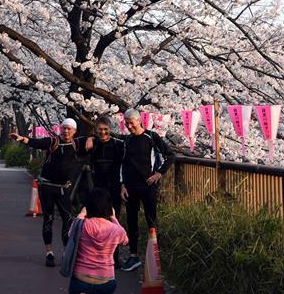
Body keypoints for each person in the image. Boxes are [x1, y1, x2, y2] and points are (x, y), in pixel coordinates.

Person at [10, 118, 86, 267]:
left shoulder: (77, 144)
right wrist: (22, 139)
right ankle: (49, 253)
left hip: (63, 188)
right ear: (60, 128)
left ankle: (66, 252)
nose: (66, 131)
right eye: (64, 128)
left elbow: (95, 140)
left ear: (75, 131)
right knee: (48, 219)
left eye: (69, 129)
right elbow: (37, 143)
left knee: (68, 219)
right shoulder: (53, 142)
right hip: (47, 186)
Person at [120, 108, 174, 272]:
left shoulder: (151, 136)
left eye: (131, 122)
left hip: (148, 185)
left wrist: (159, 173)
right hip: (130, 186)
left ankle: (154, 256)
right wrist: (122, 184)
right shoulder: (127, 140)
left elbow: (170, 155)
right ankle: (133, 256)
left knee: (151, 219)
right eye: (126, 123)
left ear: (139, 121)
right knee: (131, 221)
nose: (129, 126)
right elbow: (123, 163)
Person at [68, 188, 128, 294]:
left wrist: (81, 215)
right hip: (106, 283)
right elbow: (125, 240)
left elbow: (70, 233)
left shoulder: (82, 225)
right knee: (105, 284)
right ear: (108, 207)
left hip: (81, 280)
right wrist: (113, 218)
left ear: (88, 206)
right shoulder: (115, 230)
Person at [85, 116, 124, 267]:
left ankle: (115, 257)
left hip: (114, 188)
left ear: (110, 130)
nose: (103, 132)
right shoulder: (92, 144)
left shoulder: (117, 145)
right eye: (100, 130)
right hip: (97, 190)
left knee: (114, 222)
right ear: (96, 131)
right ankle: (97, 256)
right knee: (96, 223)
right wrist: (90, 137)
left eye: (106, 130)